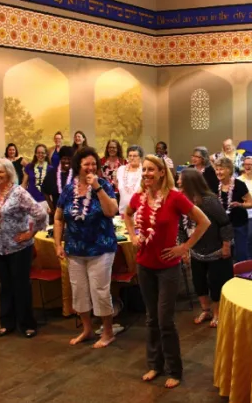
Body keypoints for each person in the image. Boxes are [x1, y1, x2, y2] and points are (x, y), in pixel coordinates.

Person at [123, 155, 210, 389]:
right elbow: (127, 214)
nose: (146, 173)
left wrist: (184, 247)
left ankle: (174, 369)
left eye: (151, 169)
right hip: (144, 265)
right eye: (144, 170)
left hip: (168, 268)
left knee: (165, 320)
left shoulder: (175, 198)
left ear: (162, 172)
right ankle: (154, 364)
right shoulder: (139, 198)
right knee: (151, 318)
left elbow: (204, 222)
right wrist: (132, 235)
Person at [54, 147, 119, 349]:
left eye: (93, 164)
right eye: (86, 164)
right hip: (74, 249)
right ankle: (87, 329)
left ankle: (108, 332)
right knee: (79, 291)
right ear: (78, 167)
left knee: (100, 290)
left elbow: (111, 212)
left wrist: (98, 188)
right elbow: (58, 218)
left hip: (101, 247)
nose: (90, 168)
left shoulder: (105, 186)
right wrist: (58, 244)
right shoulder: (67, 190)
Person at [0, 158, 47, 339]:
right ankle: (6, 323)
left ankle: (27, 324)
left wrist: (30, 233)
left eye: (0, 172)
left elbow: (40, 213)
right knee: (5, 286)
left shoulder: (18, 193)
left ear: (9, 173)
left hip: (19, 247)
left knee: (21, 286)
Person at [178, 168, 233, 329]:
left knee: (216, 283)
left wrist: (226, 245)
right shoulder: (181, 200)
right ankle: (206, 310)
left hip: (215, 248)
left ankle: (217, 313)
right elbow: (181, 227)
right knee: (199, 282)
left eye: (182, 182)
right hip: (196, 250)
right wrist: (184, 248)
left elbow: (224, 223)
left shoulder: (209, 200)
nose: (179, 185)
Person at [215, 157, 252, 262]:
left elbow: (251, 204)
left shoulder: (239, 184)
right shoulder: (215, 185)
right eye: (217, 169)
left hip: (239, 223)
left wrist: (239, 204)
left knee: (240, 253)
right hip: (222, 226)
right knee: (225, 254)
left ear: (229, 170)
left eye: (221, 169)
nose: (218, 172)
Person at [43, 146, 74, 215]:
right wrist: (52, 209)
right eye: (64, 159)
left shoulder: (76, 174)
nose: (66, 161)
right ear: (60, 159)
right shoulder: (52, 173)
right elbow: (45, 192)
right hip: (57, 212)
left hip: (75, 213)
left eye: (69, 159)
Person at [22, 144, 52, 212]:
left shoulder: (51, 169)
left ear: (46, 154)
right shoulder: (29, 167)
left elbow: (52, 189)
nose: (40, 155)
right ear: (35, 154)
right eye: (38, 153)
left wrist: (50, 205)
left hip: (45, 201)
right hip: (31, 200)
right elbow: (24, 184)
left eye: (42, 153)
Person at [117, 145, 143, 215]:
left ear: (140, 158)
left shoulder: (144, 171)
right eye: (130, 156)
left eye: (135, 156)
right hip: (123, 211)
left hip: (139, 213)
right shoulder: (121, 170)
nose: (132, 158)